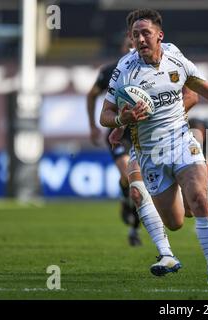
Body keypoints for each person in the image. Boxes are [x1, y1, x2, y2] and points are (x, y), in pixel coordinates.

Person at [100, 9, 208, 286]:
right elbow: (105, 115)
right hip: (149, 153)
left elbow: (205, 91)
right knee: (175, 222)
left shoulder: (175, 57)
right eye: (135, 34)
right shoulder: (124, 70)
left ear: (159, 35)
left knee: (199, 199)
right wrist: (121, 120)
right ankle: (169, 253)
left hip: (181, 142)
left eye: (145, 33)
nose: (140, 39)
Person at [86, 36, 142, 246]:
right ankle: (133, 229)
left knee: (137, 182)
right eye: (128, 43)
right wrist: (92, 125)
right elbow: (91, 95)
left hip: (144, 133)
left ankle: (133, 223)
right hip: (118, 134)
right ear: (122, 46)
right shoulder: (112, 71)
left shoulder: (153, 70)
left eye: (134, 44)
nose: (131, 47)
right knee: (131, 177)